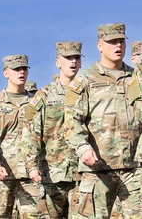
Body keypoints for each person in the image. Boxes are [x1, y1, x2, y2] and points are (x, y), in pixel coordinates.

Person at [64, 23, 141, 218]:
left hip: (133, 168)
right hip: (97, 168)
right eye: (112, 42)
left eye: (121, 42)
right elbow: (71, 120)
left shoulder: (135, 78)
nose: (118, 46)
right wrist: (82, 148)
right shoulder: (85, 79)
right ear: (99, 45)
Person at [22, 42, 83, 218]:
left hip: (83, 173)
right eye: (68, 58)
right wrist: (31, 166)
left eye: (76, 58)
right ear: (58, 62)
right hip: (52, 175)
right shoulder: (44, 95)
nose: (73, 62)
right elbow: (31, 133)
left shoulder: (88, 91)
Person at [0, 55, 40, 218]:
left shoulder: (37, 102)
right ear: (6, 73)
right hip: (1, 176)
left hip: (30, 176)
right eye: (16, 69)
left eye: (24, 69)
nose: (21, 72)